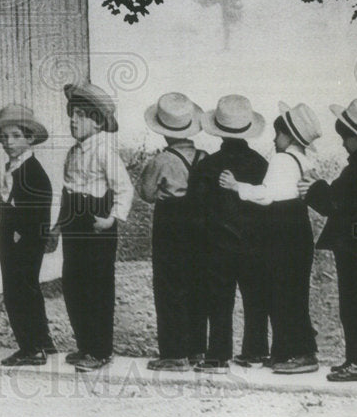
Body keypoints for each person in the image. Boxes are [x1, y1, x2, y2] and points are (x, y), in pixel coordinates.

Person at [221, 102, 322, 374]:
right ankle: (285, 351)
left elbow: (266, 195)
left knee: (286, 293)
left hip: (282, 231)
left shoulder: (281, 159)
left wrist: (235, 186)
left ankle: (302, 354)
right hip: (298, 229)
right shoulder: (304, 160)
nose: (274, 140)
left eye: (278, 134)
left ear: (288, 135)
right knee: (292, 292)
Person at [298, 99, 357, 382]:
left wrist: (313, 186)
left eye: (345, 137)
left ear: (356, 138)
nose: (344, 144)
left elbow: (333, 203)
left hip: (353, 246)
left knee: (354, 304)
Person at [187, 95, 269, 373]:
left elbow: (196, 213)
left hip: (217, 245)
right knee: (255, 298)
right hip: (255, 244)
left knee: (219, 301)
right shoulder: (261, 164)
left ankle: (219, 355)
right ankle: (255, 352)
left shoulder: (208, 166)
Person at [58, 82, 134, 372]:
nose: (73, 121)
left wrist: (111, 218)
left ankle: (101, 350)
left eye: (80, 115)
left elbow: (124, 188)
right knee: (73, 284)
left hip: (96, 224)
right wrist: (58, 226)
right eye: (71, 114)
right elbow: (67, 192)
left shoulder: (104, 151)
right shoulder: (73, 152)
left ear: (98, 121)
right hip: (74, 223)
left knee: (96, 287)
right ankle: (85, 345)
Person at [138, 92, 208, 371]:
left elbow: (146, 192)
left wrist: (163, 194)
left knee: (169, 286)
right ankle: (197, 350)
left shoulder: (162, 160)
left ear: (164, 133)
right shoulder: (205, 157)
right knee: (197, 285)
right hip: (201, 225)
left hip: (171, 223)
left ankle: (174, 353)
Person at [0, 103, 56, 367]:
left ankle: (31, 348)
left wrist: (21, 235)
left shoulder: (32, 172)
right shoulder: (15, 167)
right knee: (26, 288)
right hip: (15, 237)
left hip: (22, 239)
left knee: (18, 291)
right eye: (4, 137)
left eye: (15, 136)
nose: (8, 142)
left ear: (30, 138)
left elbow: (37, 209)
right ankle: (42, 340)